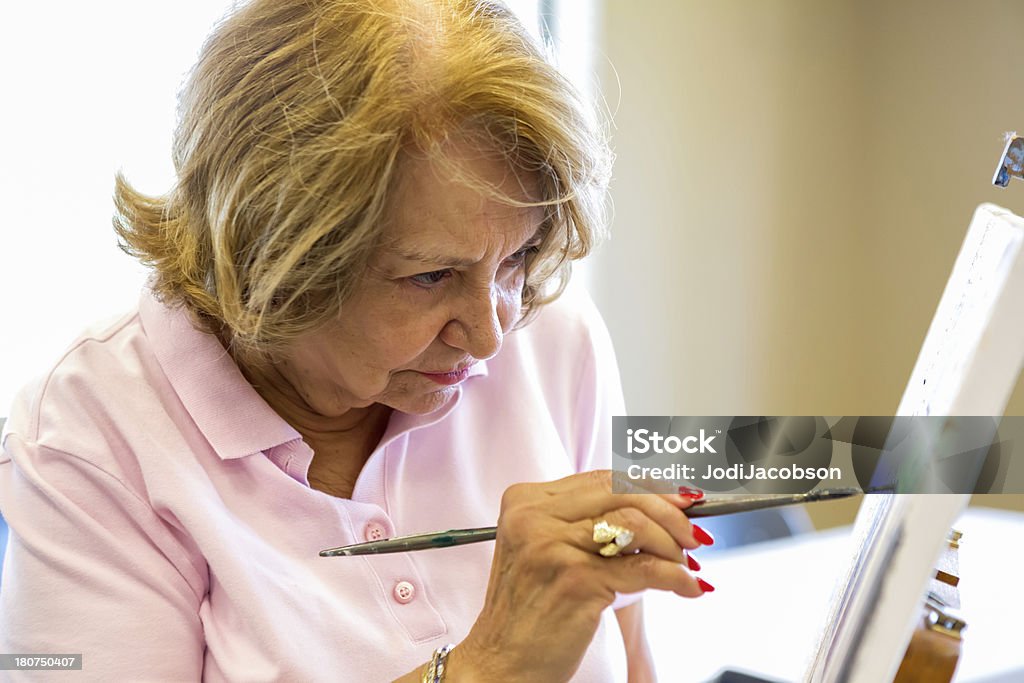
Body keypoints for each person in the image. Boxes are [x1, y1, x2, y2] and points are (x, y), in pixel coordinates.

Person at [0, 0, 713, 680]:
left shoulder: (557, 338)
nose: (493, 333)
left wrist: (806, 459)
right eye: (431, 275)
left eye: (517, 256)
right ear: (271, 254)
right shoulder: (85, 441)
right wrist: (483, 669)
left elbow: (635, 655)